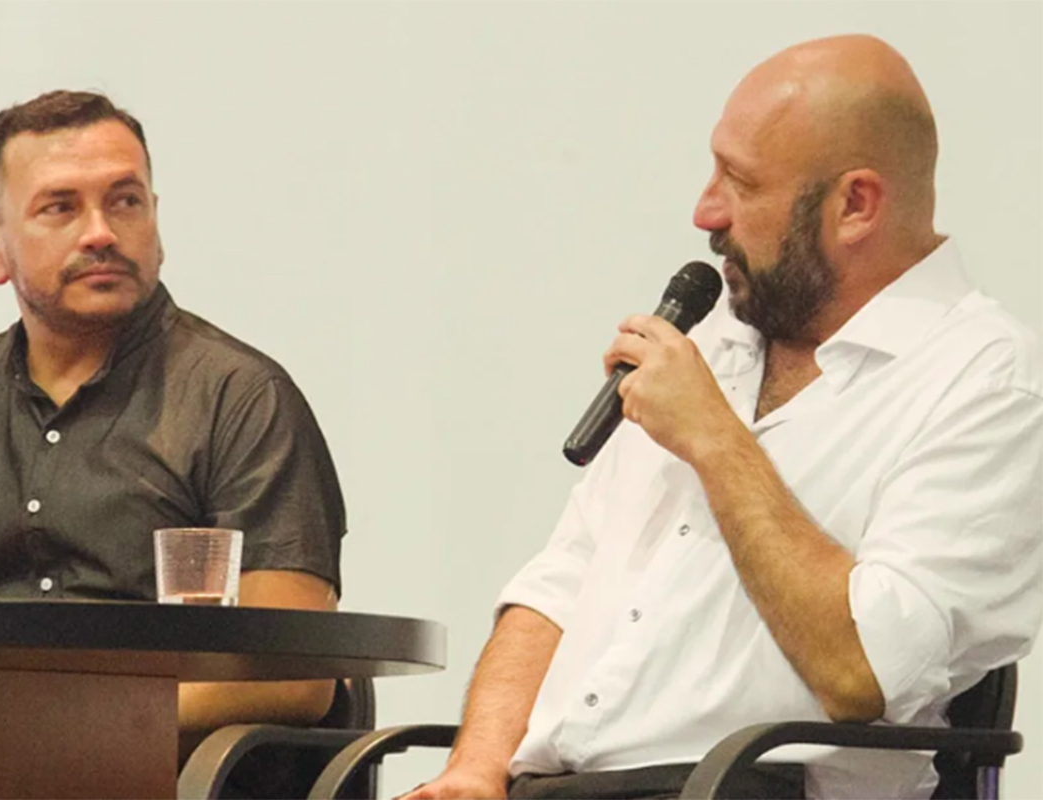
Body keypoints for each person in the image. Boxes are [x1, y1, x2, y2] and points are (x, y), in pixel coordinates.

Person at [406, 34, 1042, 800]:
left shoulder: (985, 378)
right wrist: (475, 770)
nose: (705, 211)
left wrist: (713, 439)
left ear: (855, 206)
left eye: (740, 182)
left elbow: (864, 673)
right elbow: (561, 585)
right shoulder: (713, 344)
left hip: (744, 788)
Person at [0, 90, 348, 752]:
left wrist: (62, 725)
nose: (101, 232)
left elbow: (293, 675)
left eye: (125, 201)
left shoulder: (240, 398)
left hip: (160, 770)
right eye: (61, 207)